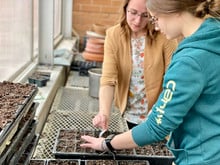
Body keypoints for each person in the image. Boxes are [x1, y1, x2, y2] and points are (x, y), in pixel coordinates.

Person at [81, 0, 220, 164]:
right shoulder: (212, 36)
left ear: (172, 11)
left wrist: (106, 143)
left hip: (202, 157)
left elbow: (156, 127)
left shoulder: (189, 61)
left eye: (154, 18)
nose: (155, 26)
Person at [92, 0, 177, 130]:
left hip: (157, 116)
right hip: (127, 115)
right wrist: (104, 113)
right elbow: (108, 80)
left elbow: (172, 80)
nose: (138, 21)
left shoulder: (164, 36)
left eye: (145, 15)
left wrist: (158, 113)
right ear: (125, 9)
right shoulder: (114, 35)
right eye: (133, 13)